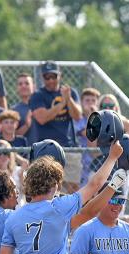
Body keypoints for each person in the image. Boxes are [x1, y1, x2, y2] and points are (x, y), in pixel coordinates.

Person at [29, 62, 82, 192]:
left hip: (69, 147)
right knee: (49, 189)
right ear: (42, 78)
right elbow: (42, 118)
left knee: (72, 188)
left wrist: (69, 100)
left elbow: (78, 116)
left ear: (60, 76)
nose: (51, 80)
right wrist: (62, 103)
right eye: (47, 77)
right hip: (46, 149)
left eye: (54, 76)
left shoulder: (70, 93)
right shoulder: (38, 96)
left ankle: (72, 213)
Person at [74, 88, 101, 188]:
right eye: (87, 100)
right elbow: (89, 133)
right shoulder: (78, 120)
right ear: (81, 102)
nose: (90, 104)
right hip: (82, 162)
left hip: (97, 161)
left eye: (93, 101)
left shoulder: (102, 119)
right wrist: (91, 116)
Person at [12, 73, 36, 143]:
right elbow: (12, 136)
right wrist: (27, 125)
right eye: (20, 84)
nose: (23, 86)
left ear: (33, 87)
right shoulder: (14, 110)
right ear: (17, 88)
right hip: (24, 151)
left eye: (27, 83)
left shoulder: (42, 106)